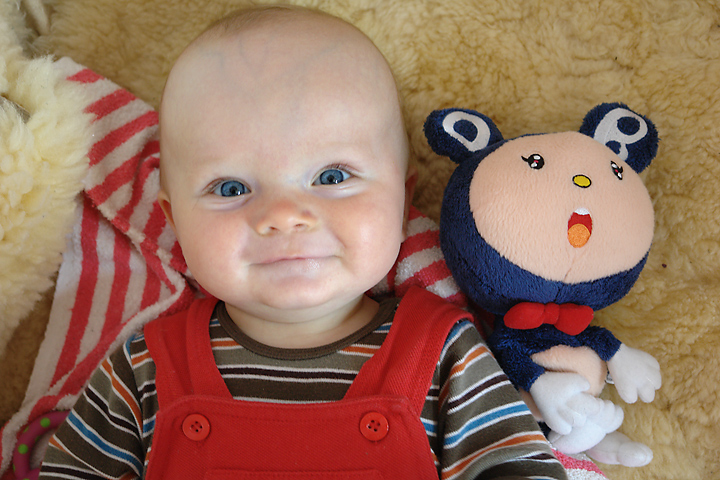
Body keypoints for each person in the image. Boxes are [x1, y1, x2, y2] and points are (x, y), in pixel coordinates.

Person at [40, 6, 567, 480]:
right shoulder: (145, 366)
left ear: (402, 201)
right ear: (173, 219)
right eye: (231, 188)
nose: (284, 216)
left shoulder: (445, 352)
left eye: (333, 177)